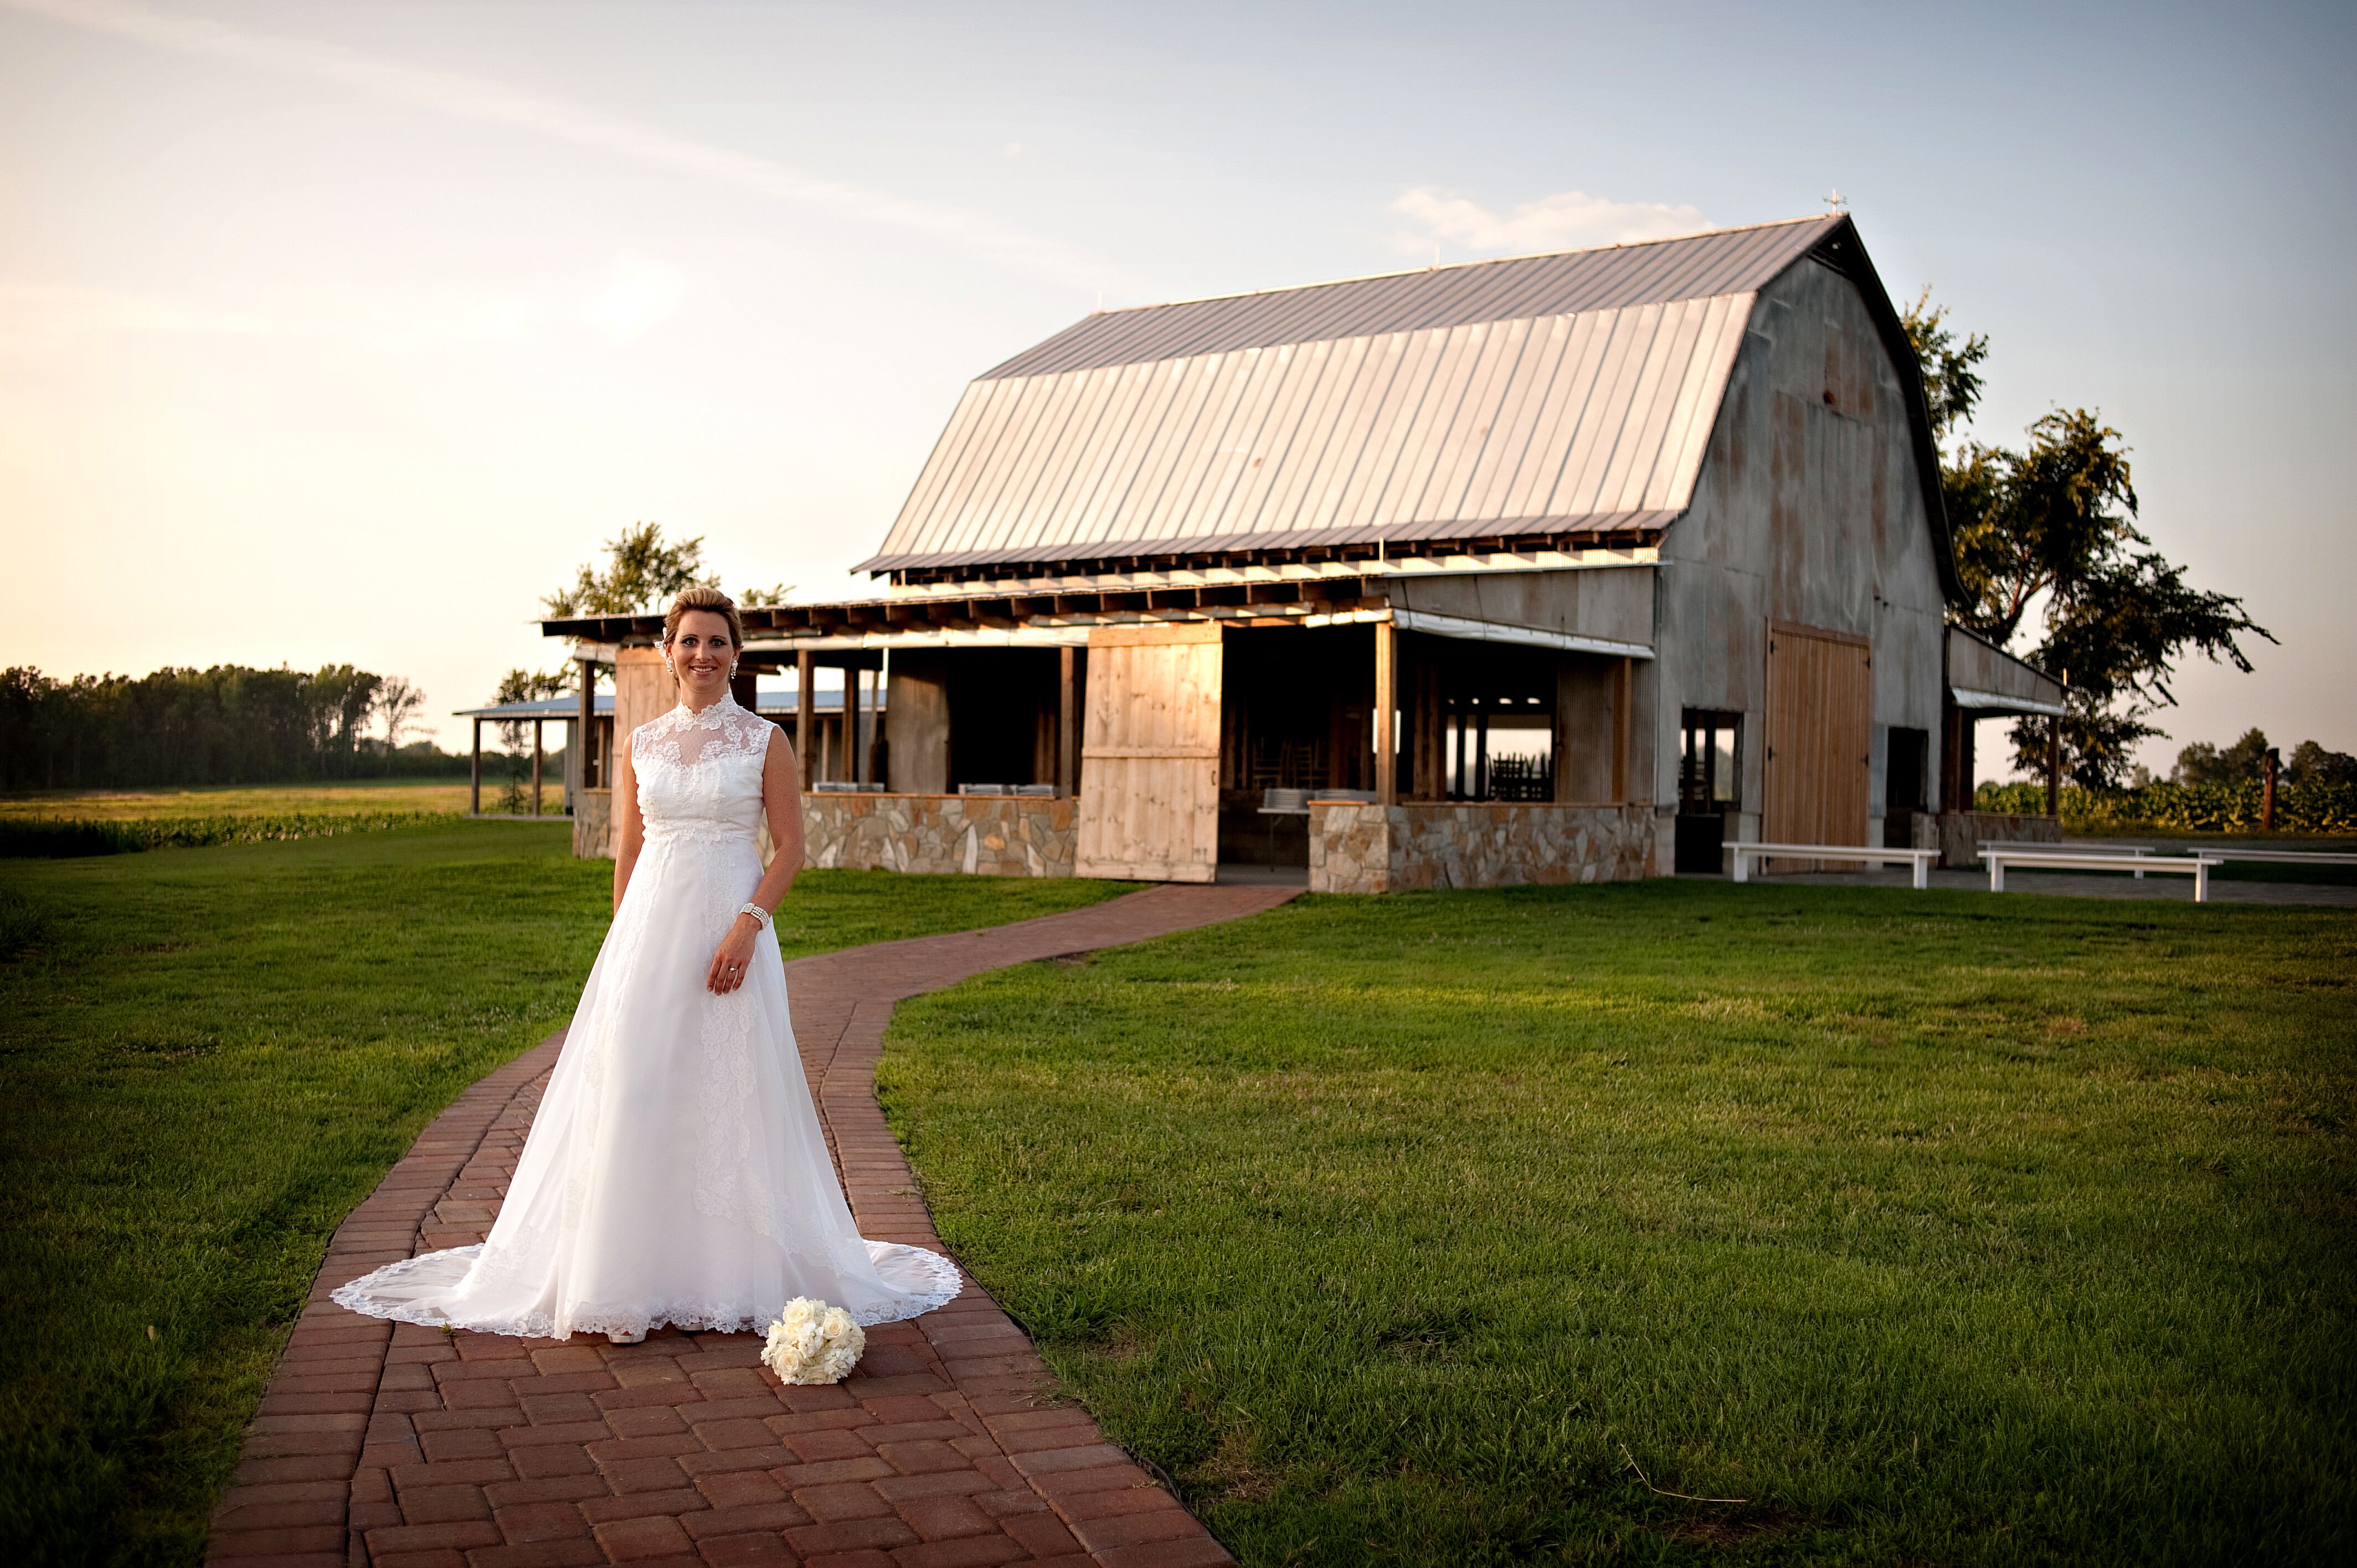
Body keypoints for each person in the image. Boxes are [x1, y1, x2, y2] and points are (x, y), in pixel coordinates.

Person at [333, 587, 959, 1344]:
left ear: (738, 654)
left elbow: (790, 849)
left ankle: (732, 1271)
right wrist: (624, 944)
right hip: (648, 939)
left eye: (718, 642)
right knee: (636, 1087)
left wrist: (747, 928)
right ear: (667, 651)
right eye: (689, 641)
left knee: (732, 1091)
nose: (703, 655)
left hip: (734, 935)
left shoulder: (766, 741)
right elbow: (628, 852)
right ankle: (621, 1274)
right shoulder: (642, 744)